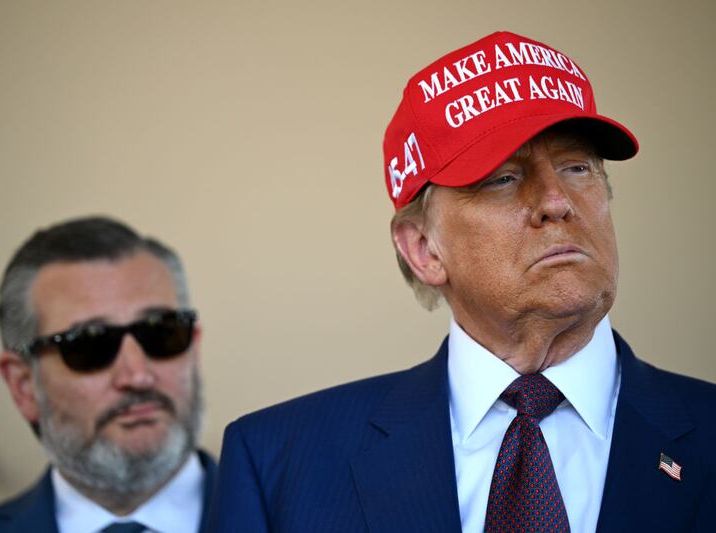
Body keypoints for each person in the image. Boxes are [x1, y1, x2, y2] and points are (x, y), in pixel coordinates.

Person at [208, 31, 716, 532]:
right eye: (504, 178)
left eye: (577, 167)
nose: (556, 201)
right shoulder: (277, 463)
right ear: (423, 249)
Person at [0, 216, 216, 533]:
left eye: (160, 333)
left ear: (194, 347)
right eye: (90, 344)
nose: (137, 376)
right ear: (23, 385)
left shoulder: (264, 517)